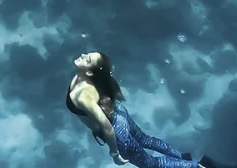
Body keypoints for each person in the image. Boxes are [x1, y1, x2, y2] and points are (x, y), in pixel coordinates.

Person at [66, 51, 217, 168]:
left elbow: (107, 128)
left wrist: (115, 153)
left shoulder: (81, 96)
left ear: (90, 72)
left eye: (88, 59)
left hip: (117, 131)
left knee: (150, 164)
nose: (83, 55)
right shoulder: (91, 77)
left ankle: (196, 166)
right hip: (119, 112)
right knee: (146, 140)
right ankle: (182, 158)